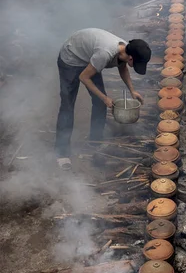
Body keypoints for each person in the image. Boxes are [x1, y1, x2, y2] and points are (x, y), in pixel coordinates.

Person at [55, 28, 151, 170]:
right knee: (68, 106)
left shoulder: (125, 49)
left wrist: (132, 91)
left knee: (100, 103)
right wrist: (104, 97)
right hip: (70, 58)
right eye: (136, 63)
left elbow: (122, 67)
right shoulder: (104, 54)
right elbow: (83, 77)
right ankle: (62, 153)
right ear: (131, 58)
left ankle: (95, 141)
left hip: (88, 59)